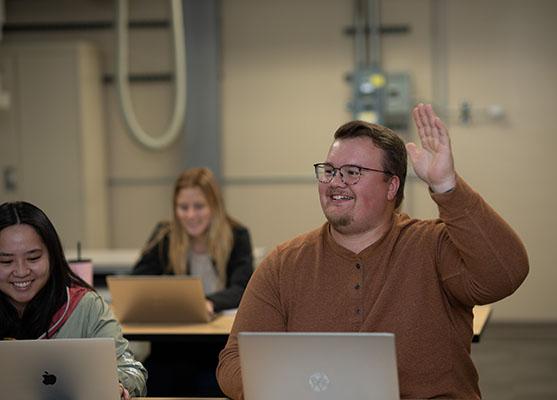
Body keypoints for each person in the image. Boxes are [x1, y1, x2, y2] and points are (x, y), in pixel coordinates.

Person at [217, 103, 529, 399]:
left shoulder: (434, 247)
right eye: (329, 170)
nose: (335, 182)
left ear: (391, 187)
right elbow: (233, 362)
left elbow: (506, 273)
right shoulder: (284, 264)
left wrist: (448, 186)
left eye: (352, 172)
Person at [0, 201, 147, 400]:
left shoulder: (87, 307)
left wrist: (117, 383)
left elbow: (132, 371)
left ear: (53, 256)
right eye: (5, 261)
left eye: (33, 258)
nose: (21, 271)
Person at [132, 166, 254, 396]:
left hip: (217, 348)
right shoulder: (165, 235)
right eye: (183, 207)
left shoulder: (237, 236)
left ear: (214, 206)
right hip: (171, 346)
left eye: (199, 206)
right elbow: (137, 281)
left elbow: (243, 287)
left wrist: (207, 303)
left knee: (210, 384)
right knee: (152, 379)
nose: (190, 215)